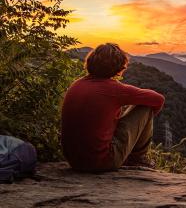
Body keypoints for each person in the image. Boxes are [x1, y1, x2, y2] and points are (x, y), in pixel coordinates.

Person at [60, 43, 165, 172]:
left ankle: (131, 156)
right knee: (145, 108)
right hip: (101, 162)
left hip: (74, 161)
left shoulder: (77, 84)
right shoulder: (114, 89)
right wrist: (142, 124)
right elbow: (158, 100)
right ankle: (136, 158)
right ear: (118, 67)